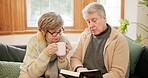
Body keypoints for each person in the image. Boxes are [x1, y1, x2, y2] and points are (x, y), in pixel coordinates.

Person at [70, 2, 129, 78]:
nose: (91, 25)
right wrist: (79, 68)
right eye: (88, 21)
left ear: (104, 18)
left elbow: (118, 73)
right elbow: (75, 58)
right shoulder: (85, 35)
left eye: (94, 20)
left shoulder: (118, 40)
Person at [19, 12, 72, 78]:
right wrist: (46, 54)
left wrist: (62, 59)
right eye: (53, 32)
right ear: (43, 31)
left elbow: (66, 72)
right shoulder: (34, 41)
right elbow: (32, 73)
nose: (58, 35)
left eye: (59, 31)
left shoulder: (63, 40)